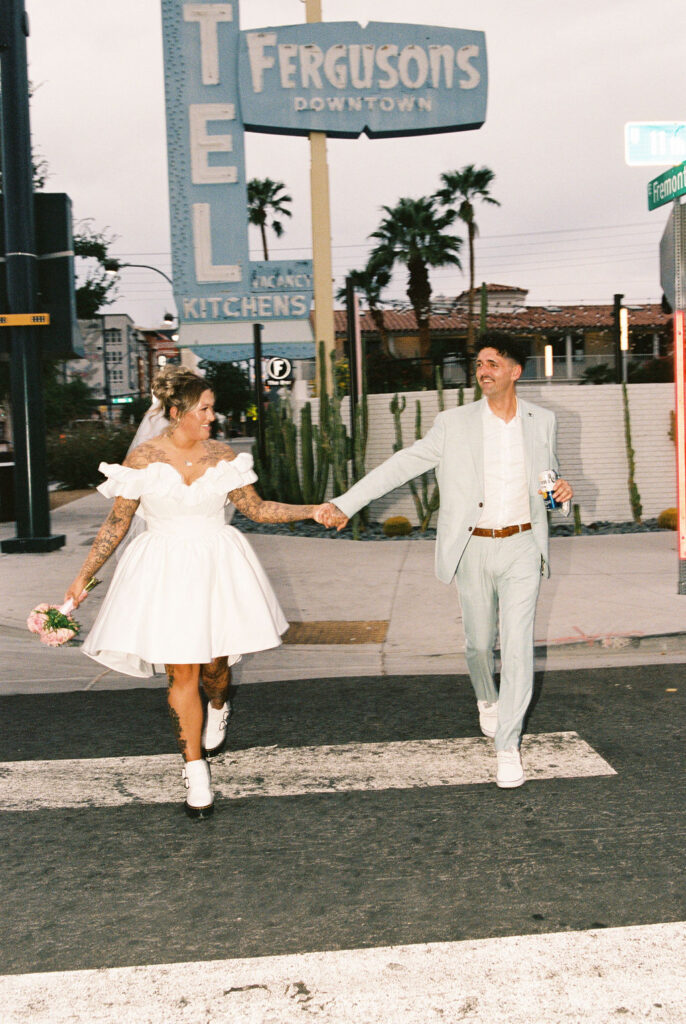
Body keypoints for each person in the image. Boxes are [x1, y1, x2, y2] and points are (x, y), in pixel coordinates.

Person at [65, 366, 324, 820]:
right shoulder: (143, 459)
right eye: (204, 408)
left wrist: (314, 510)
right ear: (175, 412)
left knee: (214, 666)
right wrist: (83, 578)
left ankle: (220, 704)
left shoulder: (223, 455)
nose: (212, 415)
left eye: (211, 407)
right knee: (180, 671)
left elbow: (257, 510)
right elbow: (117, 523)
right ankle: (195, 772)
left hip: (215, 564)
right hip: (162, 567)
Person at [318, 332, 573, 789]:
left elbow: (547, 485)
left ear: (515, 371)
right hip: (473, 546)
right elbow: (401, 464)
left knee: (517, 648)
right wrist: (347, 502)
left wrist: (561, 498)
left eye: (492, 363)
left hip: (521, 546)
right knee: (478, 645)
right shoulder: (453, 423)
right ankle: (486, 697)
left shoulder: (543, 421)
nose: (483, 371)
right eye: (479, 364)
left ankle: (508, 747)